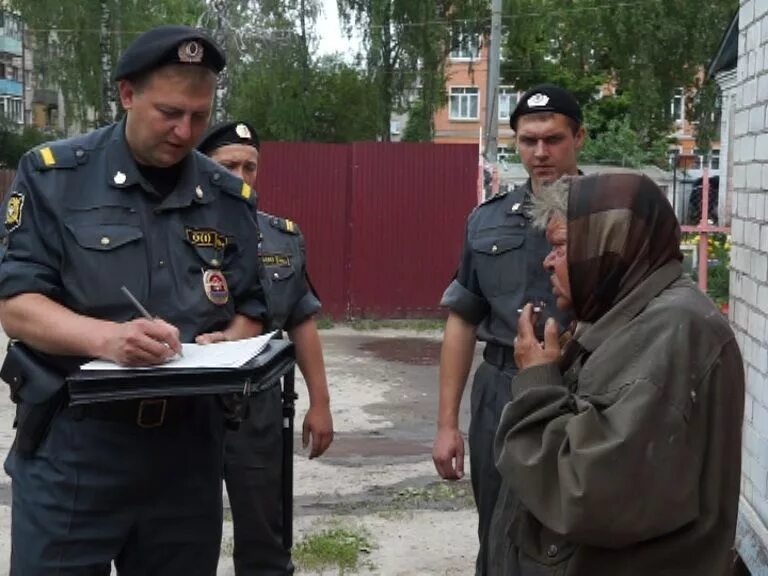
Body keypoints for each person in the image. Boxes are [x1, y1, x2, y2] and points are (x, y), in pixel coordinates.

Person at [0, 26, 269, 575]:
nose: (185, 130)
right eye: (170, 112)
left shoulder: (226, 196)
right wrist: (109, 340)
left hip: (188, 457)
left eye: (198, 115)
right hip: (76, 448)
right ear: (127, 94)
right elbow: (16, 302)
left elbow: (253, 306)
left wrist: (232, 337)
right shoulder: (56, 177)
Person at [492, 172, 744, 575]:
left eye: (560, 246)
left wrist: (538, 384)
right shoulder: (622, 315)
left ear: (607, 246)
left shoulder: (670, 332)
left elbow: (587, 491)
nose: (548, 261)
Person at [432, 84, 584, 574]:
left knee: (571, 529)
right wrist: (447, 425)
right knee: (496, 525)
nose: (540, 153)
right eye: (527, 140)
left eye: (553, 139)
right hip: (501, 390)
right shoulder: (486, 221)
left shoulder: (607, 216)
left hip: (581, 388)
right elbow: (462, 320)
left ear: (579, 138)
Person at [198, 121, 334, 576]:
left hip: (257, 407)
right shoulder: (169, 229)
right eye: (228, 165)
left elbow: (301, 320)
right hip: (187, 407)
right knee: (184, 536)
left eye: (249, 166)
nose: (241, 175)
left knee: (264, 537)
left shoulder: (281, 237)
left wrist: (321, 404)